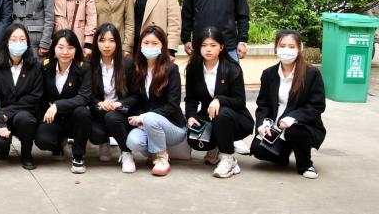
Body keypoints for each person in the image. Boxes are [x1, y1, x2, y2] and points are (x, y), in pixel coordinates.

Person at [251, 30, 326, 179]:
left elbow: (317, 105)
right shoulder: (269, 74)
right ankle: (285, 151)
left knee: (295, 131)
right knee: (257, 150)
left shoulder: (311, 73)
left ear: (299, 48)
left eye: (292, 47)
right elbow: (263, 104)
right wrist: (263, 124)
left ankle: (305, 164)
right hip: (276, 126)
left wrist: (292, 118)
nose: (286, 50)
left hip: (302, 125)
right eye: (282, 46)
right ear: (276, 48)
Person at [184, 27, 254, 179]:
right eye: (204, 45)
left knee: (221, 113)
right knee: (194, 139)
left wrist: (219, 100)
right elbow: (191, 98)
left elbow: (240, 101)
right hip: (208, 116)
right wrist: (190, 116)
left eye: (213, 45)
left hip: (235, 118)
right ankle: (216, 146)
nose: (208, 49)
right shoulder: (193, 69)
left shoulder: (232, 68)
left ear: (221, 47)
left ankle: (228, 158)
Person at [125, 25, 185, 177]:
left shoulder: (171, 69)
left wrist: (144, 117)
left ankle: (162, 158)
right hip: (147, 125)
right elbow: (135, 99)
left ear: (162, 46)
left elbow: (172, 105)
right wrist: (140, 119)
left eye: (155, 43)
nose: (150, 47)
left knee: (151, 118)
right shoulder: (137, 69)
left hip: (173, 126)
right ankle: (153, 153)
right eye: (146, 43)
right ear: (140, 45)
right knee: (133, 141)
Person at [0, 24, 43, 169]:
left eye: (22, 39)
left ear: (27, 42)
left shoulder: (35, 66)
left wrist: (8, 112)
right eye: (14, 39)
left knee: (26, 120)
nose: (18, 43)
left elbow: (35, 96)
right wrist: (0, 121)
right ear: (6, 42)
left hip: (23, 114)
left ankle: (27, 155)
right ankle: (3, 150)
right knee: (0, 143)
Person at [36, 29, 92, 173]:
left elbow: (84, 97)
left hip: (74, 118)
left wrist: (58, 105)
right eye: (60, 47)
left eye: (70, 48)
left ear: (76, 50)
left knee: (83, 112)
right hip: (53, 118)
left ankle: (78, 156)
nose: (65, 52)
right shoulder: (45, 66)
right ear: (54, 48)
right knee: (42, 140)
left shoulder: (84, 68)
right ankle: (58, 145)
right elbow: (40, 95)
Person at [89, 23, 138, 171]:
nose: (106, 45)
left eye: (111, 40)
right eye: (102, 40)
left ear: (117, 43)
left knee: (111, 117)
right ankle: (103, 142)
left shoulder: (127, 64)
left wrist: (120, 104)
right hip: (99, 112)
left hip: (120, 113)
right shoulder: (90, 65)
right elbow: (87, 94)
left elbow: (136, 95)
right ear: (96, 42)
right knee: (95, 134)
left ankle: (126, 153)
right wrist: (99, 103)